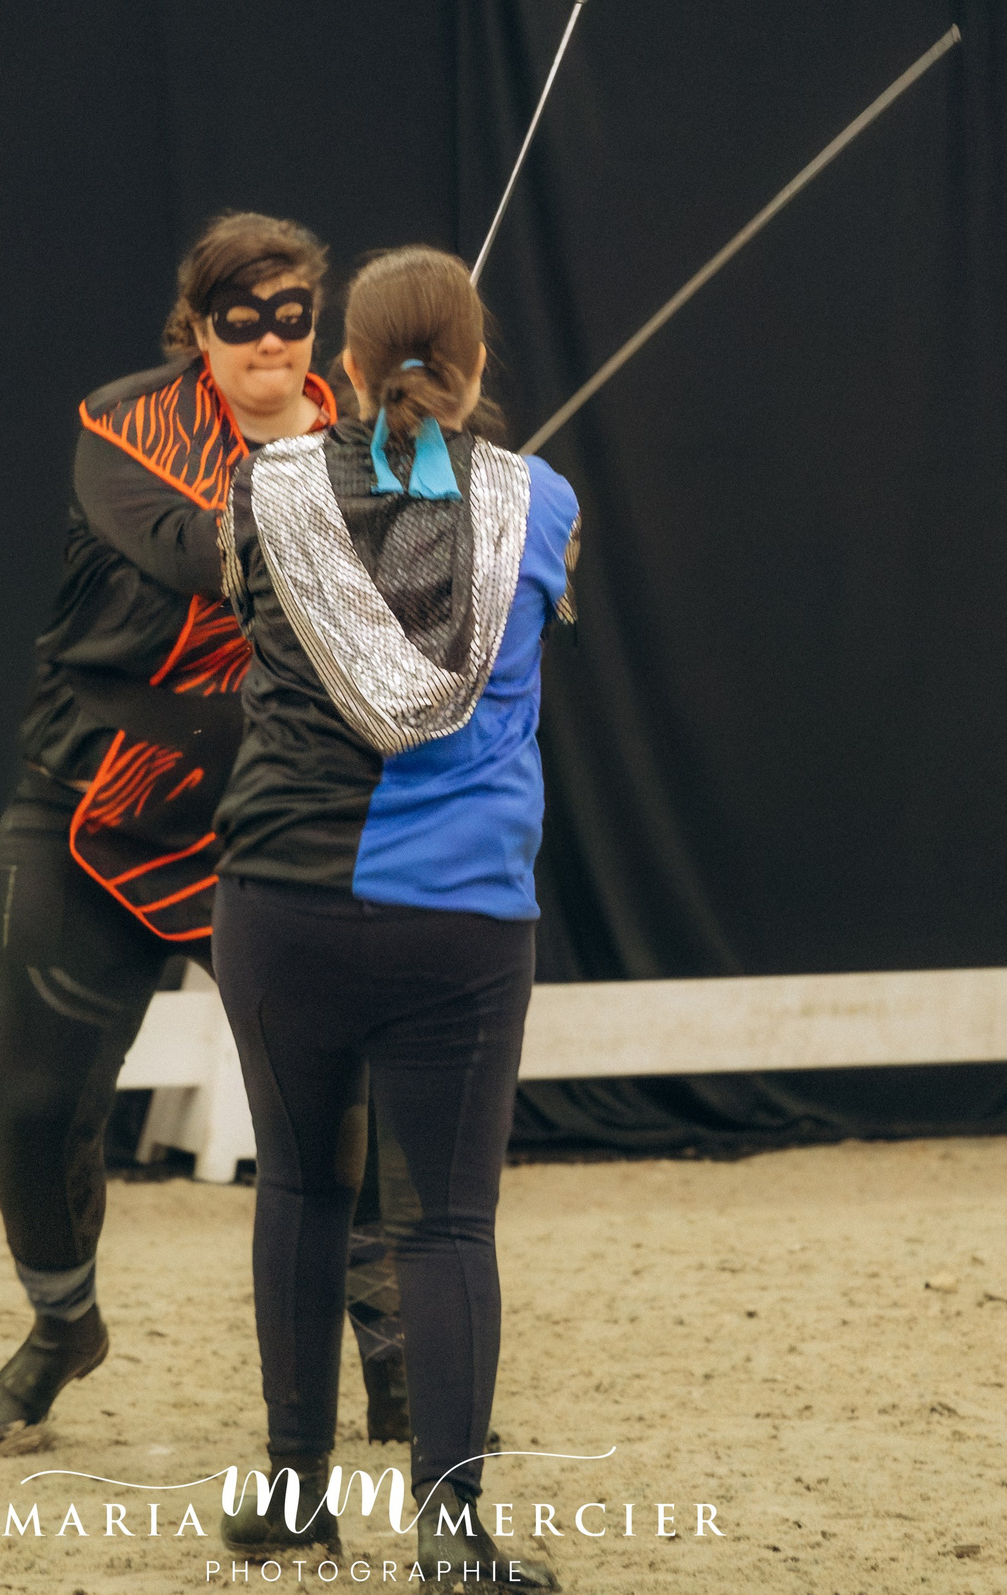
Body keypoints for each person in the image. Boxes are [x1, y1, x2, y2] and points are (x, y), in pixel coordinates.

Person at [0, 213, 413, 1443]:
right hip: (92, 804)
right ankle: (62, 1326)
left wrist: (452, 528)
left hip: (277, 819)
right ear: (198, 327)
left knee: (337, 1091)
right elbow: (189, 551)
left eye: (291, 317)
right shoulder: (127, 430)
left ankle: (393, 1352)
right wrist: (351, 522)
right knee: (36, 1106)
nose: (269, 340)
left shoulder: (375, 447)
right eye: (241, 318)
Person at [211, 246, 579, 1588]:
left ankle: (294, 1501)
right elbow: (474, 564)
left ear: (347, 368)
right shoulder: (542, 503)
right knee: (445, 1222)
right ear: (479, 368)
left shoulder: (259, 489)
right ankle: (451, 1531)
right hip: (459, 918)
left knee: (303, 1188)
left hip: (282, 907)